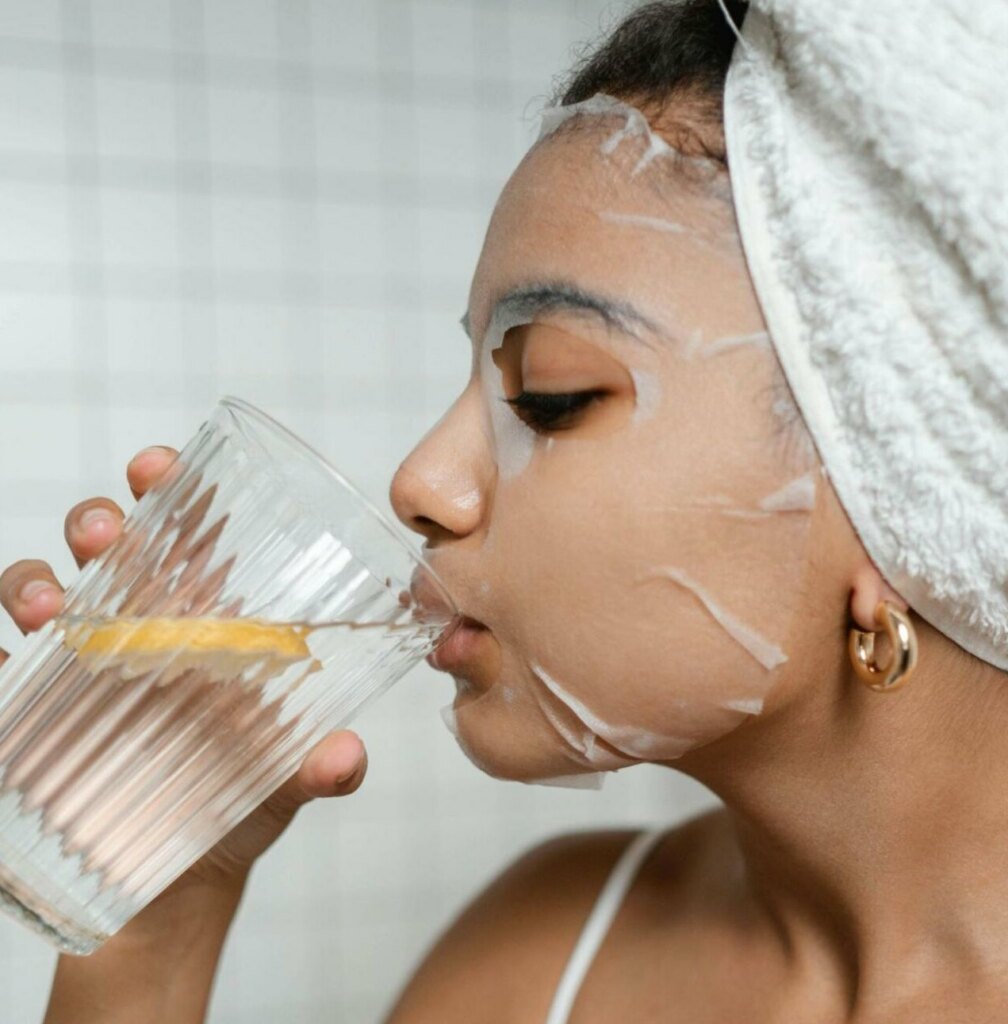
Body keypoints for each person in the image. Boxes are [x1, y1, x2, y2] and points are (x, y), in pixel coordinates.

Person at [2, 1, 1005, 1020]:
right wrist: (152, 904)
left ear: (902, 491)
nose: (421, 480)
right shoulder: (533, 963)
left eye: (551, 394)